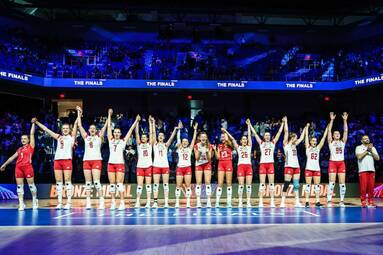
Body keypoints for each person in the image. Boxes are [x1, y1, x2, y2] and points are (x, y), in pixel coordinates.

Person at [34, 115, 78, 210]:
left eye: (67, 128)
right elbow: (46, 130)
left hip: (67, 160)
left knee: (67, 181)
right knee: (58, 182)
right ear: (61, 129)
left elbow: (76, 125)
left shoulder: (72, 137)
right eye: (63, 128)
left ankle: (69, 202)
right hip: (57, 161)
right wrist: (37, 122)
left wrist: (79, 113)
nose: (65, 130)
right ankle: (60, 202)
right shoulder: (58, 137)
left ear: (69, 129)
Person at [0, 119, 38, 211]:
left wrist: (33, 123)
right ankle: (21, 203)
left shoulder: (31, 147)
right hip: (18, 168)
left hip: (28, 167)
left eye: (25, 139)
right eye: (22, 139)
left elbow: (32, 134)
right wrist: (4, 164)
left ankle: (34, 200)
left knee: (31, 186)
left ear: (28, 140)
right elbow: (11, 158)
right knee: (19, 187)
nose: (23, 140)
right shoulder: (19, 149)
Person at [107, 109, 139, 210]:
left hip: (120, 164)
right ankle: (113, 203)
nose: (116, 134)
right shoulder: (110, 140)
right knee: (112, 185)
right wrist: (109, 115)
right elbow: (108, 127)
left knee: (119, 184)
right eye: (115, 132)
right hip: (111, 164)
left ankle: (121, 203)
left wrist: (136, 121)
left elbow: (130, 131)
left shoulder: (123, 141)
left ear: (120, 134)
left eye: (118, 132)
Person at [76, 106, 107, 210]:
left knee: (97, 182)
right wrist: (78, 113)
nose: (92, 130)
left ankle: (101, 201)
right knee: (88, 183)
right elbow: (79, 125)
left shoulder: (99, 137)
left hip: (96, 160)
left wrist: (109, 117)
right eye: (91, 128)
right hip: (86, 161)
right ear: (89, 130)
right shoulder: (86, 137)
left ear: (96, 130)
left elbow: (104, 127)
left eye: (94, 128)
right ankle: (88, 202)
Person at [249, 118, 284, 208]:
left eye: (268, 135)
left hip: (270, 164)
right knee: (262, 184)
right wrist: (249, 125)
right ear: (264, 137)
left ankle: (272, 201)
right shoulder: (261, 143)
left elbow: (279, 133)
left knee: (271, 184)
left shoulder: (273, 143)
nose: (267, 137)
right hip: (263, 165)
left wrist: (283, 123)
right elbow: (255, 134)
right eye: (266, 135)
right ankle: (260, 201)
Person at [222, 120, 253, 208]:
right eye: (243, 139)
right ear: (241, 140)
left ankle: (248, 202)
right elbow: (232, 139)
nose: (245, 140)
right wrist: (226, 131)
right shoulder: (238, 147)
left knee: (248, 185)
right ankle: (240, 201)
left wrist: (249, 125)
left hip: (248, 166)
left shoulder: (249, 147)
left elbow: (250, 136)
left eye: (245, 139)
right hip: (241, 167)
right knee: (241, 185)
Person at [151, 117, 181, 208]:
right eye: (159, 135)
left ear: (164, 137)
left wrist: (175, 129)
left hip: (165, 166)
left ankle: (166, 202)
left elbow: (171, 138)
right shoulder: (154, 144)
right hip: (156, 166)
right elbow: (152, 134)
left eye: (162, 136)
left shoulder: (166, 145)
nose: (160, 137)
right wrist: (153, 123)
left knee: (165, 184)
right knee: (156, 184)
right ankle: (155, 202)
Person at [281, 117, 308, 208]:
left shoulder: (294, 145)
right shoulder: (286, 144)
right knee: (286, 184)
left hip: (296, 167)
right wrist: (286, 122)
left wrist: (305, 128)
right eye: (295, 137)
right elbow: (286, 132)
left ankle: (297, 202)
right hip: (288, 166)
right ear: (292, 138)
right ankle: (282, 202)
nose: (297, 139)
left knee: (296, 185)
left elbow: (301, 138)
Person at [304, 123, 329, 207]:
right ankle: (307, 201)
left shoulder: (318, 148)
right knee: (308, 185)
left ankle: (317, 201)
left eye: (315, 141)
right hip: (308, 168)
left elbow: (324, 138)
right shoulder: (307, 147)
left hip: (317, 169)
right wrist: (307, 128)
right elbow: (306, 137)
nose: (314, 142)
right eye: (313, 141)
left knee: (317, 185)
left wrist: (327, 129)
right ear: (310, 142)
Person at [327, 112, 348, 207]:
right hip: (333, 163)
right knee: (331, 183)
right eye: (335, 133)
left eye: (338, 133)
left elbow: (346, 131)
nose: (337, 134)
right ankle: (329, 200)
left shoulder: (343, 142)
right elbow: (329, 130)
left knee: (342, 183)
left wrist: (345, 120)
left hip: (341, 163)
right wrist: (331, 120)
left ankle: (342, 201)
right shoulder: (330, 142)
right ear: (333, 135)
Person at [175, 122, 198, 208]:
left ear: (188, 143)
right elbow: (177, 139)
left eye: (186, 141)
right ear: (181, 142)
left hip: (187, 168)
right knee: (178, 186)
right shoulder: (179, 148)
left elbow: (194, 139)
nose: (184, 143)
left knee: (188, 186)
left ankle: (188, 202)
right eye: (183, 141)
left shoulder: (189, 149)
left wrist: (195, 130)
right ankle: (177, 202)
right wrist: (179, 130)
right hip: (180, 168)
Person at [135, 116, 154, 208]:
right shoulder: (139, 145)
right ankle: (137, 201)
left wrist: (150, 123)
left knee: (148, 185)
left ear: (147, 138)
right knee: (139, 185)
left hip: (148, 166)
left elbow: (151, 133)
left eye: (144, 137)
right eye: (142, 137)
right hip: (140, 166)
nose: (143, 138)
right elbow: (137, 133)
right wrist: (137, 122)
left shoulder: (150, 144)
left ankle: (148, 202)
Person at [355, 135, 380, 208]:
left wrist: (371, 150)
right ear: (361, 141)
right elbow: (359, 157)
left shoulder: (373, 148)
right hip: (363, 170)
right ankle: (363, 202)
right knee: (363, 187)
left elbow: (377, 158)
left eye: (367, 138)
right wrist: (367, 151)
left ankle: (371, 202)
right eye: (365, 139)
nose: (367, 139)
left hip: (372, 170)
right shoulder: (358, 147)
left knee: (371, 187)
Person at [213, 132, 234, 208]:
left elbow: (228, 139)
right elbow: (218, 157)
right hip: (221, 163)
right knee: (220, 183)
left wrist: (225, 132)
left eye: (224, 136)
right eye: (221, 137)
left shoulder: (230, 144)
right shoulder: (219, 146)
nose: (223, 138)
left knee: (229, 183)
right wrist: (215, 150)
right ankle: (217, 202)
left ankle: (229, 202)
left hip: (228, 163)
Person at [194, 131, 213, 208]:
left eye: (205, 137)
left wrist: (208, 151)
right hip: (199, 164)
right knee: (198, 182)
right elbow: (197, 158)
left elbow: (209, 159)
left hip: (207, 164)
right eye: (202, 137)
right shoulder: (196, 146)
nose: (203, 138)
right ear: (199, 138)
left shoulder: (209, 145)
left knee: (207, 182)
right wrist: (200, 150)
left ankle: (208, 201)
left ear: (206, 138)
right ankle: (198, 201)